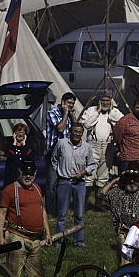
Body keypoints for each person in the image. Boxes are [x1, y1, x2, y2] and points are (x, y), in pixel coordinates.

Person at [0, 161, 52, 277]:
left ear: (35, 174)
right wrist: (1, 237)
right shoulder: (10, 190)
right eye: (25, 173)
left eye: (31, 173)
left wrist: (47, 232)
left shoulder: (37, 188)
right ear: (20, 172)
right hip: (17, 236)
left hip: (35, 239)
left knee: (36, 276)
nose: (28, 176)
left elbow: (42, 211)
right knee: (14, 276)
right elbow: (2, 214)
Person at [51, 123, 95, 247]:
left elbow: (92, 164)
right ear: (70, 132)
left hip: (79, 183)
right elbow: (54, 159)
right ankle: (58, 241)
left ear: (82, 133)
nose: (77, 134)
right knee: (62, 214)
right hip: (64, 182)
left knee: (79, 214)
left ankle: (79, 241)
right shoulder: (62, 143)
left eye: (80, 132)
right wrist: (58, 173)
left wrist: (84, 172)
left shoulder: (87, 147)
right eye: (75, 131)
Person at [81, 90, 124, 211]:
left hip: (108, 146)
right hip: (92, 145)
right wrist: (98, 111)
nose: (105, 103)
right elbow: (87, 124)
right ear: (99, 101)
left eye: (107, 101)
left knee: (103, 177)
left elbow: (121, 123)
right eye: (103, 100)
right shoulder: (91, 110)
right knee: (89, 176)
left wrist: (111, 111)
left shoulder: (115, 112)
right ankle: (83, 203)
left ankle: (98, 204)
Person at [100, 161, 139, 247]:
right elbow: (101, 194)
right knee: (124, 257)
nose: (132, 181)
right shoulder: (117, 192)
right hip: (123, 232)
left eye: (135, 178)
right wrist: (113, 181)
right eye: (129, 178)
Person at [45, 91, 76, 219]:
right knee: (51, 184)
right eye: (69, 103)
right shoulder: (52, 113)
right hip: (53, 152)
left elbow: (77, 130)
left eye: (72, 103)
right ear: (63, 102)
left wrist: (73, 116)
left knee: (62, 183)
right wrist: (65, 114)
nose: (71, 105)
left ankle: (60, 209)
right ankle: (50, 211)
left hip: (66, 152)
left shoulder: (70, 114)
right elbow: (60, 129)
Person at [112, 98, 139, 174]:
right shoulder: (125, 120)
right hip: (130, 158)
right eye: (138, 107)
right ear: (134, 107)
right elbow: (117, 136)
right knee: (130, 182)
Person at [1, 123, 37, 191]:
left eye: (23, 132)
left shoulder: (29, 146)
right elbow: (11, 156)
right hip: (12, 173)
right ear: (14, 133)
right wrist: (14, 144)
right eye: (18, 132)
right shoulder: (9, 145)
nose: (20, 134)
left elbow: (30, 156)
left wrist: (24, 145)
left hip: (24, 173)